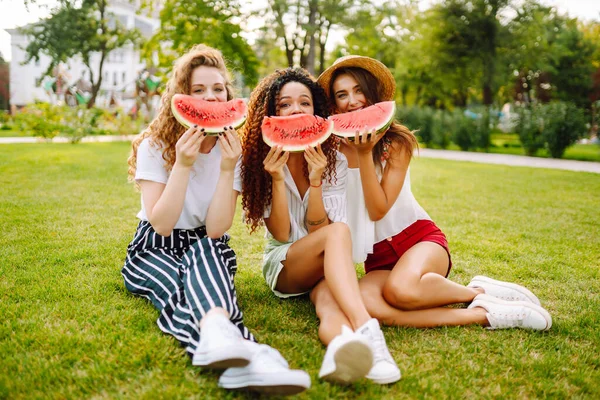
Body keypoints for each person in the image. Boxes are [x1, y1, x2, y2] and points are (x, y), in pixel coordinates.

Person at [122, 44, 310, 396]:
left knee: (207, 249)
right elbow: (161, 224)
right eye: (198, 90)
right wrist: (182, 163)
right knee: (176, 291)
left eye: (218, 89)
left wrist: (227, 169)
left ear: (227, 94)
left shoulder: (232, 150)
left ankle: (224, 342)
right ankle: (254, 353)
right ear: (182, 96)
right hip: (154, 248)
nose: (210, 98)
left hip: (207, 244)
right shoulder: (154, 145)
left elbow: (216, 229)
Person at [316, 55, 553, 332]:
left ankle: (474, 292)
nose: (352, 101)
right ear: (333, 104)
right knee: (371, 306)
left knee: (401, 291)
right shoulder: (329, 152)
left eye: (358, 90)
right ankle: (485, 311)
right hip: (377, 259)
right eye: (342, 94)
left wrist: (365, 154)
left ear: (373, 94)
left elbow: (378, 209)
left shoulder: (396, 144)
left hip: (418, 240)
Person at [240, 67, 401, 385]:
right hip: (285, 266)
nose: (295, 110)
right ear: (271, 112)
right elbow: (283, 234)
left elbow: (318, 230)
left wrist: (316, 182)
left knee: (330, 307)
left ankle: (340, 348)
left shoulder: (334, 161)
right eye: (285, 105)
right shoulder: (264, 161)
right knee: (339, 230)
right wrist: (275, 178)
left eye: (304, 102)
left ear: (317, 110)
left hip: (323, 265)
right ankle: (371, 331)